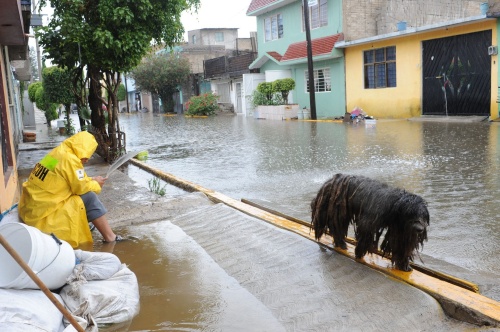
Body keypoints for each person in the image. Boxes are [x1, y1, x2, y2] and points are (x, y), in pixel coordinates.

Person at [18, 131, 121, 248]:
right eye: (87, 155)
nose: (86, 160)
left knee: (78, 195)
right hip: (43, 216)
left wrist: (91, 179)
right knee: (89, 197)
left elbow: (66, 177)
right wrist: (96, 184)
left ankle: (86, 222)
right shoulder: (71, 160)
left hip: (32, 208)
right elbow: (80, 188)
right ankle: (110, 237)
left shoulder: (58, 152)